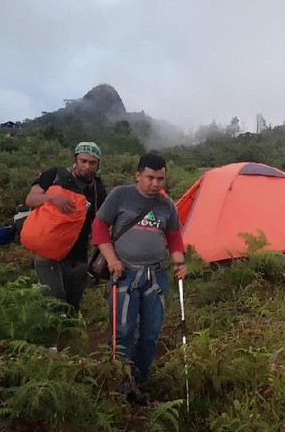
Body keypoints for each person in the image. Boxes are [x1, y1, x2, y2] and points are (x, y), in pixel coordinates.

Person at [91, 152, 187, 404]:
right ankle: (119, 385)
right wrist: (112, 260)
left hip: (156, 275)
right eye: (150, 177)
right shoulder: (120, 195)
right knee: (122, 331)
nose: (155, 183)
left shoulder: (167, 205)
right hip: (125, 273)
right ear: (138, 175)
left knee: (150, 334)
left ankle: (139, 381)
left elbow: (175, 237)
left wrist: (178, 262)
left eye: (161, 178)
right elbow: (99, 227)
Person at [25, 142, 107, 312]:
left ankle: (67, 334)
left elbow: (99, 220)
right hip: (48, 249)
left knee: (73, 302)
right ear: (75, 159)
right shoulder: (54, 175)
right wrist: (52, 198)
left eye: (92, 163)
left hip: (78, 253)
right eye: (83, 161)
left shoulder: (97, 188)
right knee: (54, 299)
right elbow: (30, 199)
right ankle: (51, 334)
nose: (87, 166)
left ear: (98, 164)